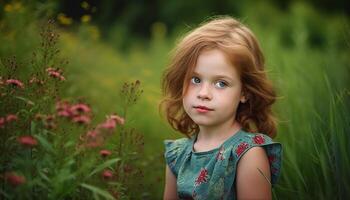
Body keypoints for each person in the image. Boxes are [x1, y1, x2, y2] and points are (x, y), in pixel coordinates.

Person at [160, 15, 283, 200]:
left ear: (245, 92)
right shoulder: (177, 155)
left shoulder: (248, 154)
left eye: (221, 83)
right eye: (195, 79)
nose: (204, 93)